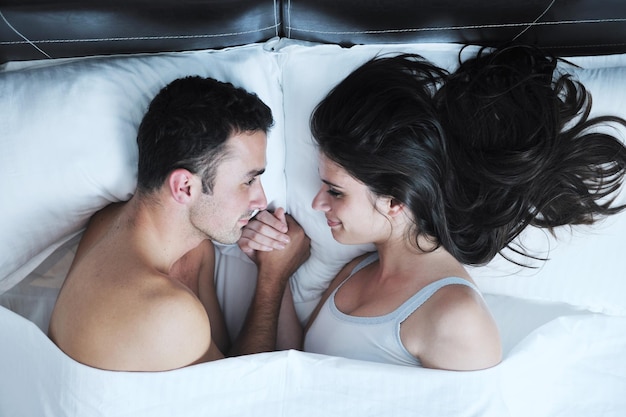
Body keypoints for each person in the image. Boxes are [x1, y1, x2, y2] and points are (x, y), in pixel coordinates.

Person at [240, 45, 626, 370]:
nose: (317, 202)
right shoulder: (354, 272)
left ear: (394, 200)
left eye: (335, 191)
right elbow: (292, 368)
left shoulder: (455, 317)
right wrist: (274, 270)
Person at [48, 76, 310, 372]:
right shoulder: (165, 312)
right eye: (247, 181)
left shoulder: (126, 228)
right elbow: (251, 400)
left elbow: (223, 359)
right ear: (185, 187)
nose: (261, 201)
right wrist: (273, 277)